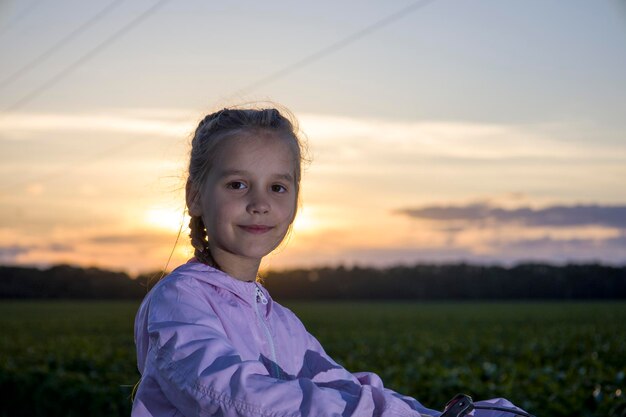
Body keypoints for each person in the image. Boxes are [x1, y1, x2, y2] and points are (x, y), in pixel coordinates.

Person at [131, 106, 529, 417]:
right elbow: (226, 394)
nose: (260, 203)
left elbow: (340, 386)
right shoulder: (181, 299)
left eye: (278, 187)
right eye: (237, 184)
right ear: (196, 196)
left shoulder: (281, 321)